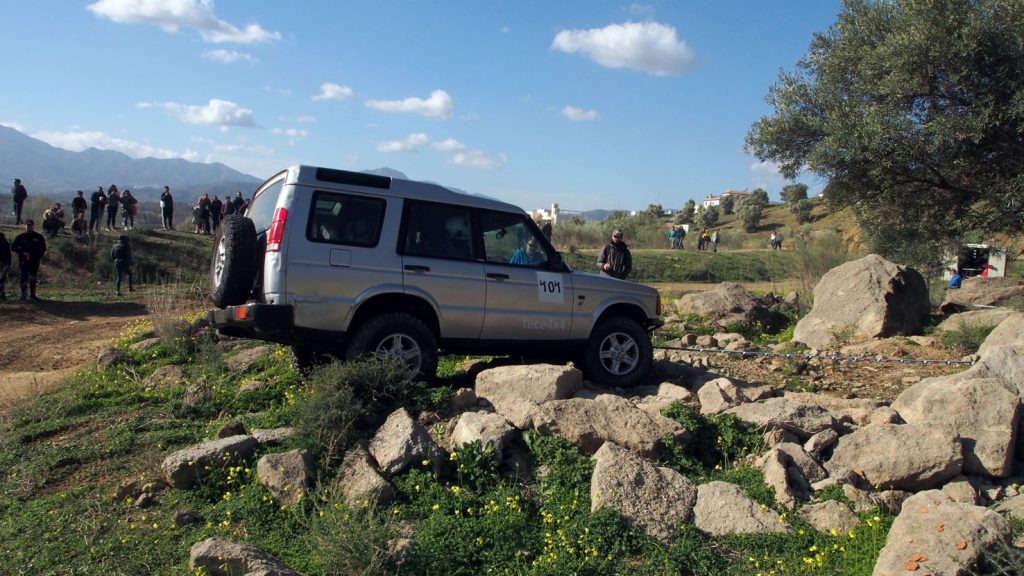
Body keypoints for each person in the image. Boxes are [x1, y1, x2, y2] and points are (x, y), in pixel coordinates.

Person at [11, 219, 46, 300]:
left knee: (33, 277)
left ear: (33, 226)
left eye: (30, 225)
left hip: (34, 260)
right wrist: (22, 252)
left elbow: (43, 248)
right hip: (24, 260)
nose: (29, 227)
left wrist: (38, 256)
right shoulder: (20, 237)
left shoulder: (39, 237)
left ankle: (32, 295)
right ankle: (23, 294)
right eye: (27, 225)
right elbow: (13, 247)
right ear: (25, 226)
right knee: (24, 277)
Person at [0, 231, 10, 300]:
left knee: (2, 279)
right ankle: (2, 293)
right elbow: (8, 253)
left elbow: (8, 253)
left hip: (3, 262)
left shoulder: (4, 241)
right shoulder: (4, 241)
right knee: (2, 279)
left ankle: (2, 293)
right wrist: (9, 263)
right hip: (4, 262)